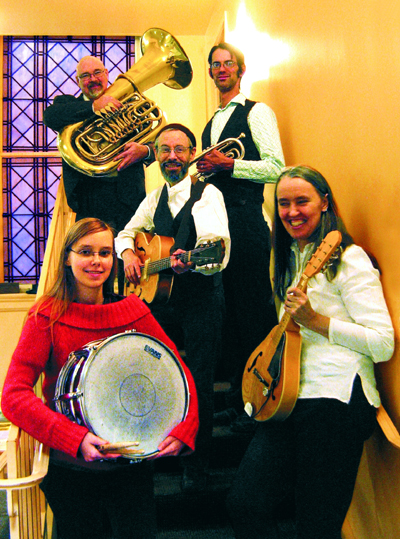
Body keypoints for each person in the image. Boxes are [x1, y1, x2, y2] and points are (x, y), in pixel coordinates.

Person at [1, 217, 198, 539]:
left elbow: (176, 370)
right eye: (86, 251)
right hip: (72, 473)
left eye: (105, 253)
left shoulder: (134, 311)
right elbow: (14, 395)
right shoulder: (45, 317)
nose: (96, 261)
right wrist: (74, 440)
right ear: (67, 257)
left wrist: (185, 428)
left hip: (131, 469)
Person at [226, 165, 394, 539]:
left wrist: (316, 320)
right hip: (287, 399)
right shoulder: (288, 260)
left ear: (324, 203)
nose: (291, 211)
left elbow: (383, 343)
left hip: (337, 401)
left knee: (317, 525)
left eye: (302, 201)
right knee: (244, 504)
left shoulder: (349, 260)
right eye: (283, 203)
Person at [115, 123, 231, 492]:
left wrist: (195, 260)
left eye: (180, 150)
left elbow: (218, 244)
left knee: (199, 380)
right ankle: (153, 446)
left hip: (202, 300)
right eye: (165, 150)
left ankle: (197, 462)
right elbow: (124, 233)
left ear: (192, 153)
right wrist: (130, 253)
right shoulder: (153, 199)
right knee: (153, 369)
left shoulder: (208, 195)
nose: (172, 157)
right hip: (165, 302)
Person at [197, 42, 285, 431]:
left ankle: (264, 397)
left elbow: (277, 168)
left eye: (227, 63)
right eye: (214, 64)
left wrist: (229, 164)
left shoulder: (257, 111)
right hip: (216, 221)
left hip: (247, 220)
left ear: (241, 69)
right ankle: (236, 399)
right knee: (227, 313)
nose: (220, 69)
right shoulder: (210, 122)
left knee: (252, 310)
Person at [43, 56, 152, 292]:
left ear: (107, 74)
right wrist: (94, 107)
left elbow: (157, 143)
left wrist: (144, 151)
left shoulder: (129, 103)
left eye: (97, 73)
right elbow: (50, 117)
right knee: (92, 264)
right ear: (78, 81)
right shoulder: (67, 106)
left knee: (130, 264)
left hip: (127, 197)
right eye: (86, 76)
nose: (92, 79)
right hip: (89, 197)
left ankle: (128, 313)